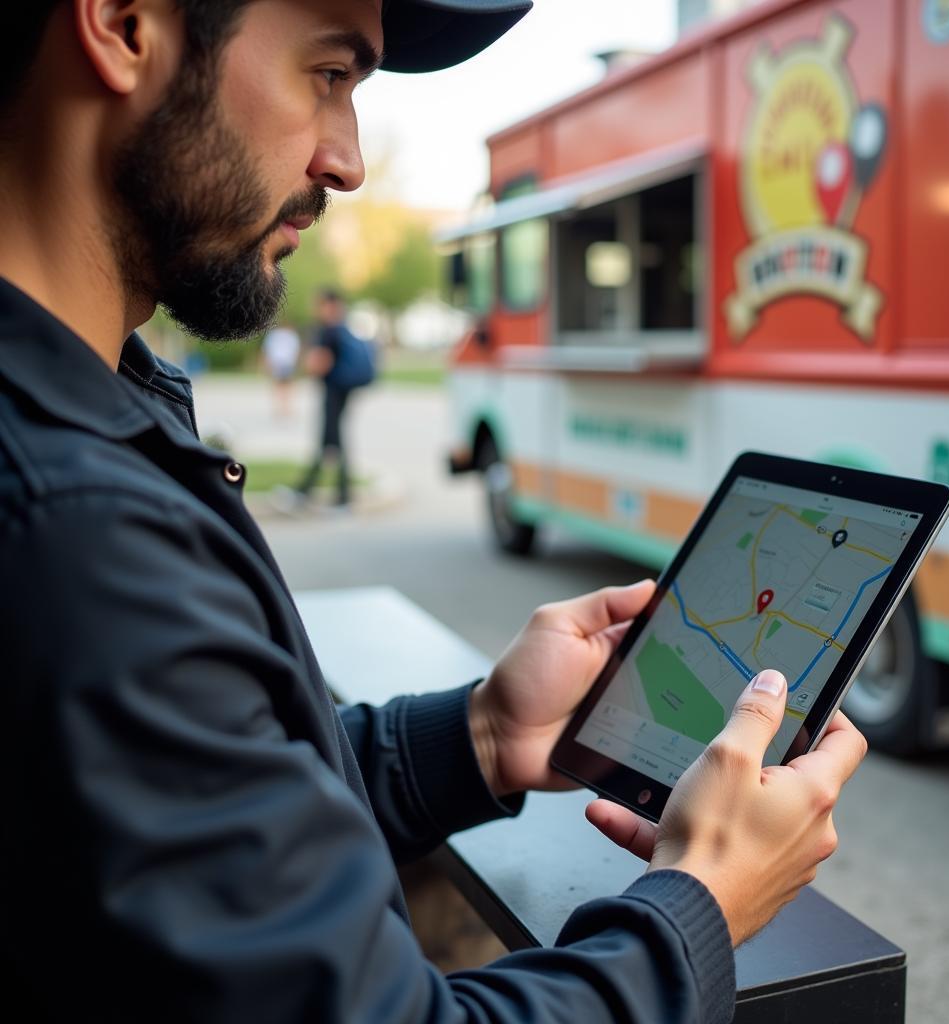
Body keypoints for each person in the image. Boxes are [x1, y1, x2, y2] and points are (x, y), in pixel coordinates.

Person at [0, 3, 866, 1022]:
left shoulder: (88, 427)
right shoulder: (79, 527)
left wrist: (485, 734)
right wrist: (703, 906)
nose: (348, 159)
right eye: (328, 73)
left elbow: (211, 821)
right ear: (125, 22)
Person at [293, 288, 364, 507]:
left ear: (330, 305)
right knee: (330, 442)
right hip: (343, 391)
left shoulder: (329, 331)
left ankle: (339, 495)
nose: (317, 310)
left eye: (319, 305)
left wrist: (307, 367)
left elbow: (319, 363)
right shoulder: (344, 329)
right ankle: (308, 490)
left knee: (333, 441)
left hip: (333, 392)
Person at [261, 319, 302, 417]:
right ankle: (282, 408)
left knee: (284, 386)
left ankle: (284, 408)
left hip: (284, 363)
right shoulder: (278, 335)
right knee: (281, 386)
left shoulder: (279, 335)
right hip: (280, 363)